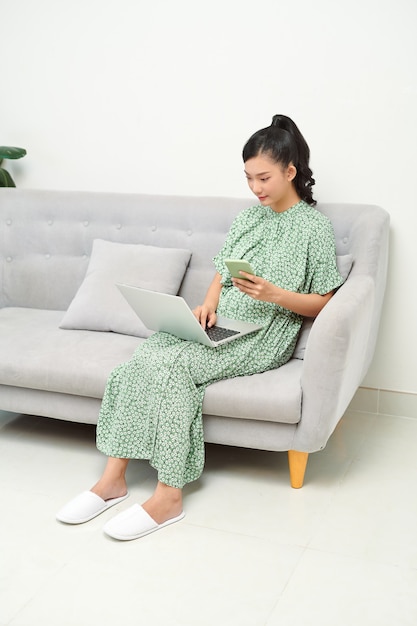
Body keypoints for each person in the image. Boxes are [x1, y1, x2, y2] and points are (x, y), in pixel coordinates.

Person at [56, 114, 344, 541]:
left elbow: (326, 303)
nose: (256, 188)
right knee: (148, 354)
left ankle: (168, 496)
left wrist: (275, 295)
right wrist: (208, 303)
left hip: (266, 333)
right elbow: (222, 272)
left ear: (290, 171)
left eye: (263, 178)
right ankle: (112, 480)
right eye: (248, 179)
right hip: (222, 323)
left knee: (176, 369)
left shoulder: (315, 229)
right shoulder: (249, 219)